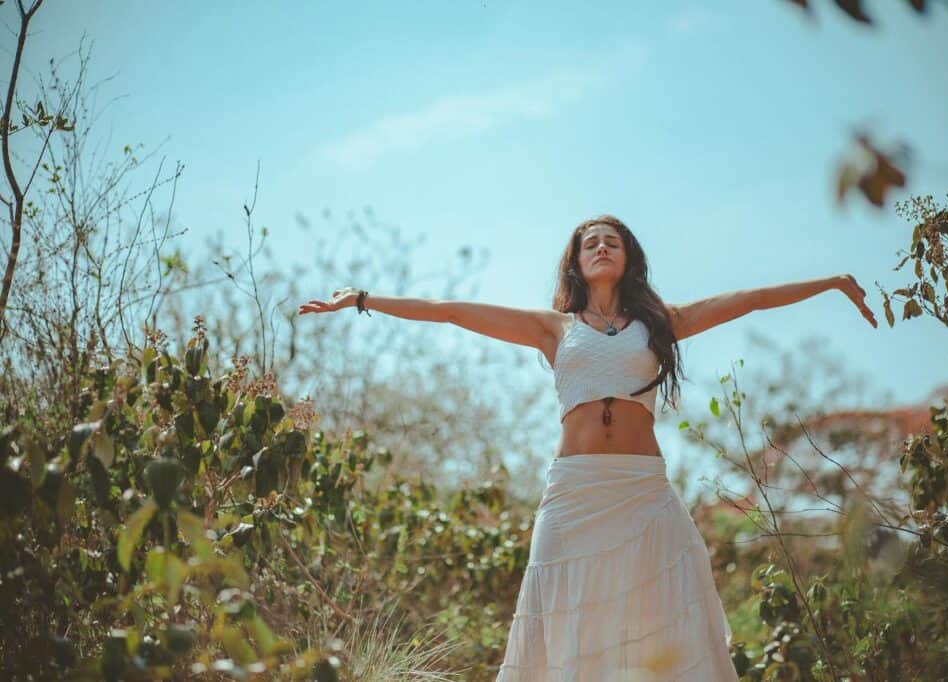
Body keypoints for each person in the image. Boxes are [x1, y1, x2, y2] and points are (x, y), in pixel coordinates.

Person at [298, 215, 877, 681]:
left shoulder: (661, 323)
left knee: (660, 619)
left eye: (613, 241)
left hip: (641, 490)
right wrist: (364, 299)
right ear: (576, 261)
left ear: (628, 257)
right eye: (590, 243)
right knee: (563, 617)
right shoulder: (553, 327)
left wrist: (827, 283)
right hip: (574, 492)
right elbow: (450, 312)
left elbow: (748, 299)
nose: (601, 247)